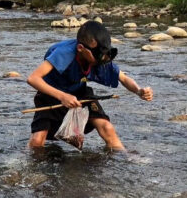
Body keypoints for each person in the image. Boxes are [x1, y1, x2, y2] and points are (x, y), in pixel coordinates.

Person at [26, 20, 153, 151]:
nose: (102, 59)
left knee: (107, 128)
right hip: (50, 94)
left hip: (79, 92)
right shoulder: (64, 53)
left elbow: (124, 78)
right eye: (98, 54)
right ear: (81, 48)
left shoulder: (99, 58)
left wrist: (138, 91)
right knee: (37, 141)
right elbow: (33, 78)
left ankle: (126, 157)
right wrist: (63, 96)